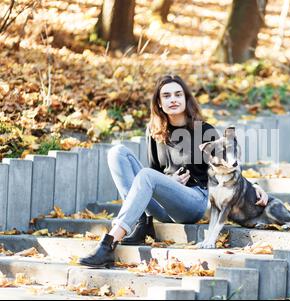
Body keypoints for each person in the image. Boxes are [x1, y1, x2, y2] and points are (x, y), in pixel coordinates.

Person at [79, 74, 269, 268]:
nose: (173, 99)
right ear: (159, 104)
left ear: (186, 100)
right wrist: (169, 181)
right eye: (167, 96)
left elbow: (229, 161)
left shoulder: (204, 130)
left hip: (194, 201)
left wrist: (253, 185)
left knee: (146, 175)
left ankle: (110, 242)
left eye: (178, 94)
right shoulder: (154, 132)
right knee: (117, 153)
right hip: (162, 206)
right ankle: (143, 222)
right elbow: (154, 172)